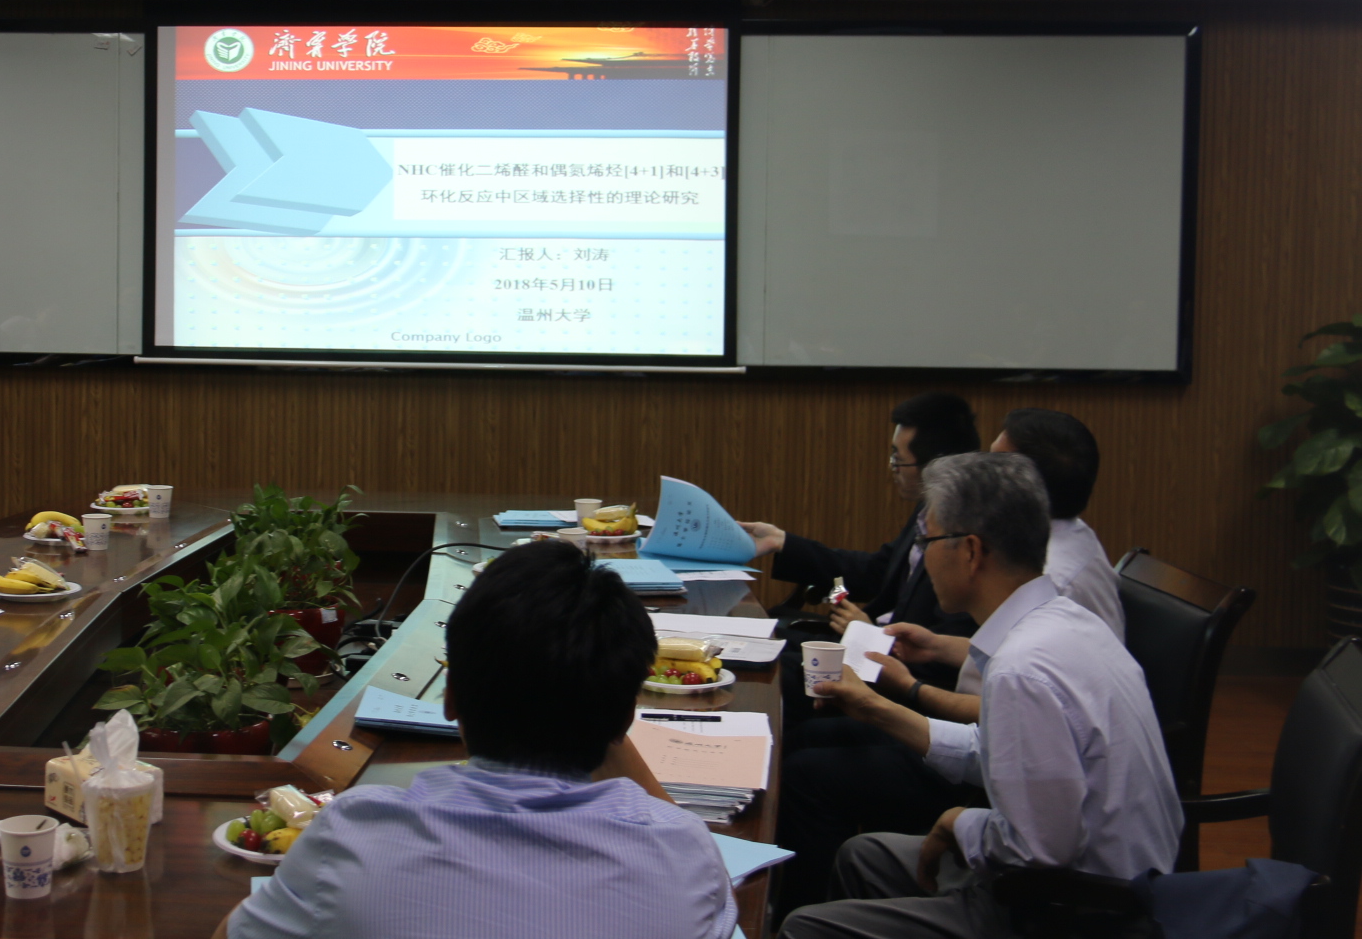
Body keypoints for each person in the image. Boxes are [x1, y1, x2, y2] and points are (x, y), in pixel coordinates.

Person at [216, 540, 739, 939]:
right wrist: (602, 716)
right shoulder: (683, 854)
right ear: (626, 719)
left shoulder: (353, 836)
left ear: (450, 700)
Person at [781, 452, 1180, 939]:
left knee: (804, 927)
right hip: (1112, 885)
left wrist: (959, 823)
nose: (923, 558)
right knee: (862, 856)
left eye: (927, 541)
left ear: (970, 551)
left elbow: (1040, 851)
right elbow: (996, 754)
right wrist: (876, 709)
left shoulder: (1023, 669)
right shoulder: (1071, 624)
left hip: (1076, 911)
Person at [874, 407, 1123, 720]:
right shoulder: (1065, 533)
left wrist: (908, 689)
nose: (979, 471)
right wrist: (938, 646)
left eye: (993, 464)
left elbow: (1005, 708)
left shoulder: (1048, 578)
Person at [742, 392, 982, 675]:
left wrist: (872, 637)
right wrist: (782, 542)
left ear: (935, 466)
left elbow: (938, 664)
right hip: (863, 648)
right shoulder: (926, 510)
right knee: (746, 644)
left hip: (886, 671)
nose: (893, 468)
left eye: (898, 459)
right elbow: (876, 571)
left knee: (764, 669)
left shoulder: (963, 538)